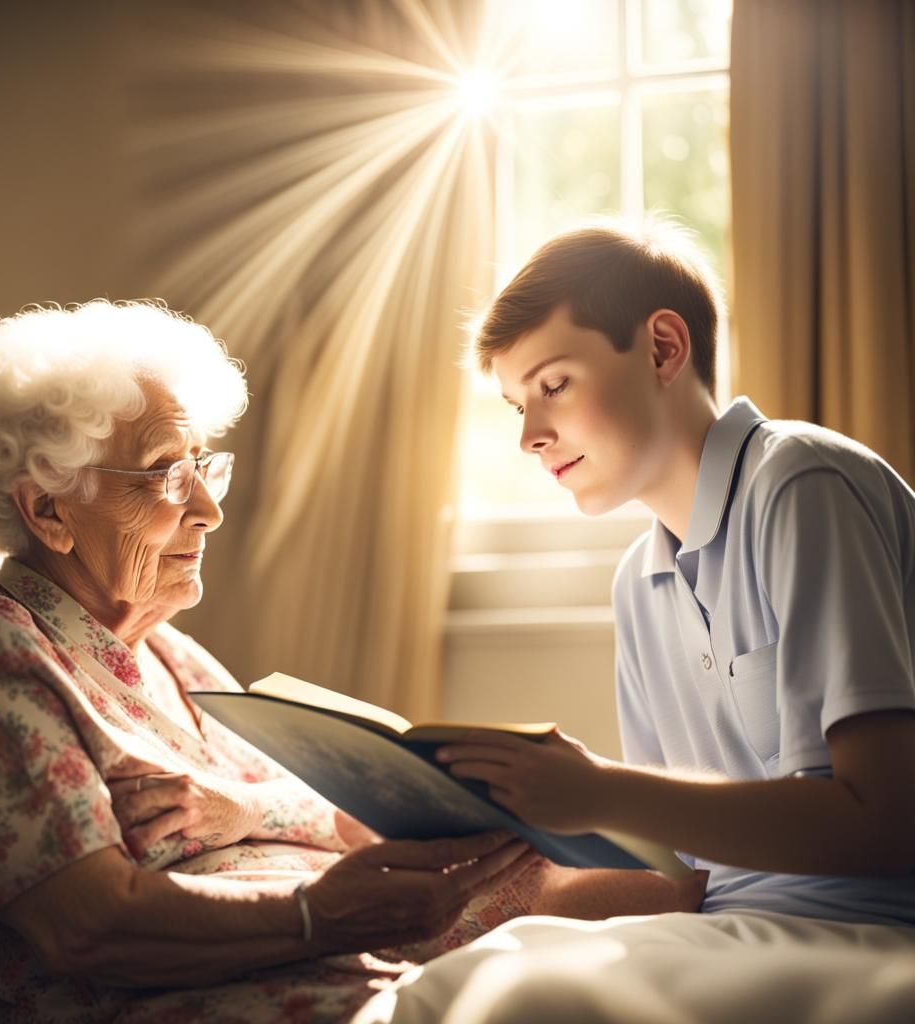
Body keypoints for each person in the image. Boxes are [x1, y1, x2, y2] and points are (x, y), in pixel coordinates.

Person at [0, 299, 704, 1024]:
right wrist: (320, 914)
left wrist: (251, 815)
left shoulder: (169, 655)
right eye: (164, 475)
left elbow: (329, 811)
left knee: (629, 889)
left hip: (313, 939)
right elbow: (87, 927)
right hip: (166, 993)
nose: (210, 510)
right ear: (47, 509)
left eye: (202, 467)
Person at [353, 219, 915, 1024]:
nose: (528, 436)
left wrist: (600, 791)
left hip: (869, 930)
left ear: (661, 349)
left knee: (525, 1000)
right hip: (733, 927)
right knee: (432, 990)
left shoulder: (801, 484)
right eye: (516, 405)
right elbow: (682, 872)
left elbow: (886, 823)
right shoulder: (639, 581)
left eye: (552, 386)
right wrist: (507, 862)